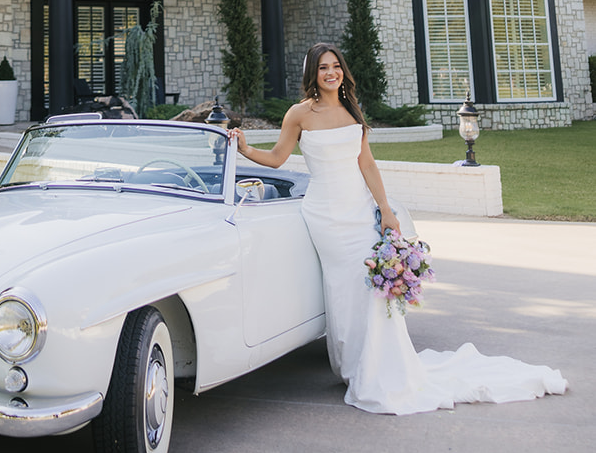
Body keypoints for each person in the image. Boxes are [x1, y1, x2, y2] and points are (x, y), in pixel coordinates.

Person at [229, 41, 567, 415]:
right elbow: (277, 158)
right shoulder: (299, 114)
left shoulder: (351, 111)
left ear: (343, 71)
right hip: (324, 214)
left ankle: (379, 366)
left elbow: (368, 165)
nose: (331, 73)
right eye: (324, 67)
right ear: (313, 73)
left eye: (336, 66)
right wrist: (244, 149)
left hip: (359, 211)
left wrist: (385, 210)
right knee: (343, 287)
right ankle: (352, 364)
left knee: (370, 286)